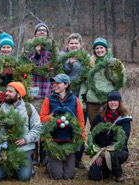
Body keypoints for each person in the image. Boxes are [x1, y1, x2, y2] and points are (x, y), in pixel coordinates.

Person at [0, 82, 42, 181]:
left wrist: (26, 139)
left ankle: (25, 168)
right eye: (6, 90)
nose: (6, 93)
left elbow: (38, 128)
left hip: (24, 149)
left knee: (24, 177)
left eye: (10, 91)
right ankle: (10, 167)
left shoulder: (28, 108)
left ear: (18, 95)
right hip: (4, 150)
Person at [40, 73, 85, 179]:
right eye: (54, 83)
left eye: (58, 83)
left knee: (69, 176)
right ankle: (49, 164)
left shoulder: (75, 100)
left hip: (69, 141)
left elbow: (81, 121)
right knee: (57, 175)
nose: (54, 85)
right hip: (53, 141)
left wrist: (81, 138)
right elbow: (42, 118)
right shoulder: (49, 99)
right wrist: (52, 116)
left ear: (66, 85)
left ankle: (65, 161)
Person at [88, 91, 132, 183]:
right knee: (94, 176)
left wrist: (108, 151)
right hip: (100, 151)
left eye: (115, 100)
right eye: (110, 100)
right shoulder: (99, 118)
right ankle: (108, 168)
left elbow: (124, 140)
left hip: (119, 150)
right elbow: (92, 136)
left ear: (119, 102)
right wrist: (97, 154)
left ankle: (118, 174)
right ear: (107, 103)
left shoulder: (124, 119)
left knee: (114, 157)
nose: (113, 102)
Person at [59, 33, 88, 169]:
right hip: (65, 97)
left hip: (81, 97)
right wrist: (69, 65)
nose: (74, 45)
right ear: (68, 44)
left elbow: (88, 74)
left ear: (80, 45)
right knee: (64, 125)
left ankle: (78, 158)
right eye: (71, 43)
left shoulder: (86, 58)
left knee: (79, 128)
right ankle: (63, 156)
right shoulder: (62, 56)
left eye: (76, 43)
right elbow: (59, 74)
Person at [82, 37, 126, 125]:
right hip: (92, 101)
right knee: (95, 128)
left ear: (106, 49)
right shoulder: (89, 63)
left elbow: (122, 81)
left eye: (101, 48)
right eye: (97, 48)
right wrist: (82, 103)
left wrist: (110, 71)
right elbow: (84, 83)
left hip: (109, 101)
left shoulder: (114, 62)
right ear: (94, 50)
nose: (99, 50)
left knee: (109, 127)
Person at [29, 22, 55, 166]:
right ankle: (33, 155)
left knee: (45, 125)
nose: (42, 32)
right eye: (39, 30)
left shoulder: (52, 50)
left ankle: (44, 156)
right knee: (33, 124)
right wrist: (37, 54)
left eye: (44, 30)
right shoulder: (29, 49)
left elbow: (51, 68)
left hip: (47, 92)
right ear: (35, 33)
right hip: (34, 93)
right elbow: (29, 67)